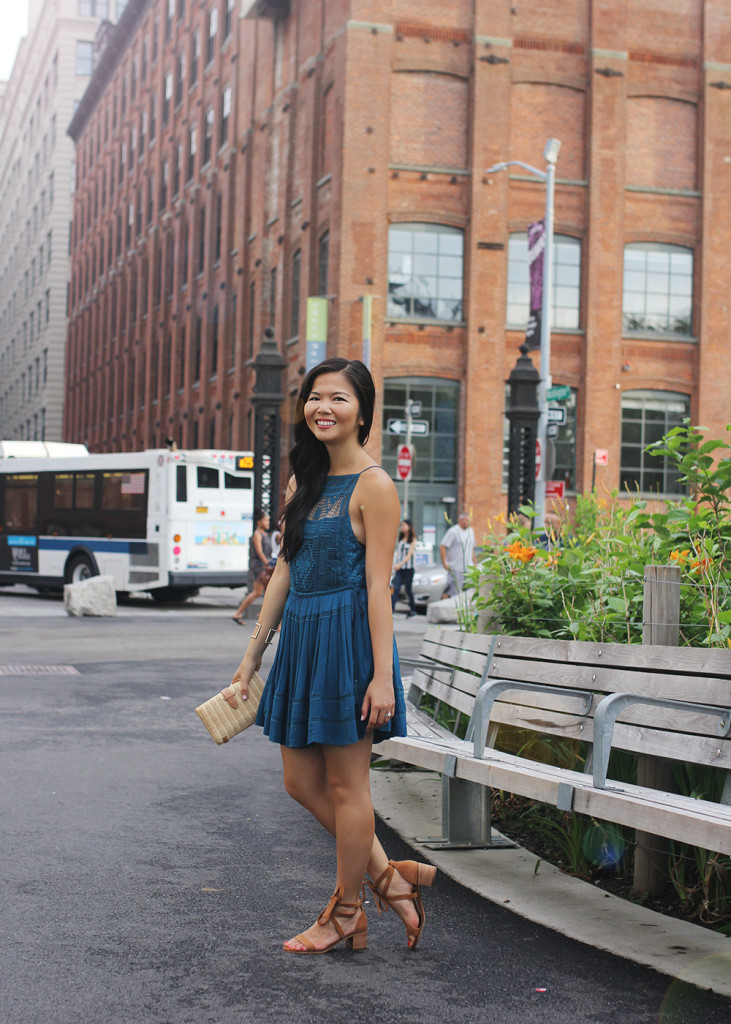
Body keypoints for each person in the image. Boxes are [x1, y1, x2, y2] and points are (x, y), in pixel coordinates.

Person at [231, 357, 436, 954]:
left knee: (349, 788)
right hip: (302, 638)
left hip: (347, 644)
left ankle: (347, 911)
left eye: (338, 399)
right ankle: (388, 879)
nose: (323, 407)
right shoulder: (303, 481)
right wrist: (252, 659)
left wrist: (381, 676)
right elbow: (284, 574)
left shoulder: (376, 486)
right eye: (315, 397)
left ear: (363, 413)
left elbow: (378, 589)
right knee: (300, 780)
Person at [232, 508, 272, 624]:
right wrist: (267, 563)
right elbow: (259, 551)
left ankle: (260, 614)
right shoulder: (257, 534)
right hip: (259, 567)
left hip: (263, 567)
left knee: (265, 592)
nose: (268, 523)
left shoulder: (264, 534)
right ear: (259, 522)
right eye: (265, 520)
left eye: (268, 520)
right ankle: (239, 612)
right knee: (258, 592)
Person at [439, 510, 477, 597]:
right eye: (466, 520)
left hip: (468, 567)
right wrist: (445, 563)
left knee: (470, 591)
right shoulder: (453, 531)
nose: (468, 522)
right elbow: (443, 546)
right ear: (461, 520)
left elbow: (471, 548)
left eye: (469, 520)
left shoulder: (471, 531)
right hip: (456, 567)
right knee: (454, 592)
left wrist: (475, 564)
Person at [391, 518, 417, 617]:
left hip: (408, 569)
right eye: (401, 525)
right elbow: (398, 554)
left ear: (409, 527)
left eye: (404, 525)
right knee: (395, 588)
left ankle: (413, 611)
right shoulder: (401, 539)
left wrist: (400, 564)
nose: (402, 527)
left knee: (408, 590)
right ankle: (391, 611)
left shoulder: (413, 540)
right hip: (399, 569)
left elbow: (409, 555)